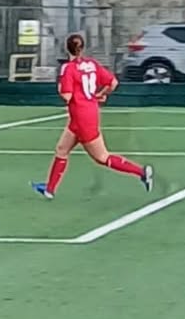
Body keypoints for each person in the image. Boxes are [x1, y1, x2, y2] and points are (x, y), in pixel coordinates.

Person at [32, 33, 153, 200]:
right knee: (62, 149)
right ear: (82, 48)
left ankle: (141, 172)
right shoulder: (92, 64)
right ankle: (50, 189)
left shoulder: (68, 68)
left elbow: (66, 95)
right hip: (85, 114)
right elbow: (113, 83)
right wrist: (101, 94)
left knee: (102, 157)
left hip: (82, 117)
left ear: (67, 49)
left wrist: (61, 86)